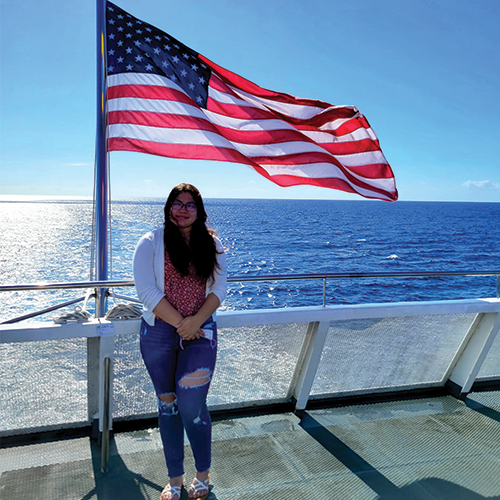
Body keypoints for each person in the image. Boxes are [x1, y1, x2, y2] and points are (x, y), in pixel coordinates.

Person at [133, 183, 227, 500]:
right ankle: (175, 478)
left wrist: (194, 324)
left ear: (199, 212)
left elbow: (218, 289)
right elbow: (146, 291)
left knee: (191, 404)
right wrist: (181, 324)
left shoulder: (211, 244)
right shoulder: (150, 242)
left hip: (201, 333)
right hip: (159, 333)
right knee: (168, 405)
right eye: (177, 203)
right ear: (168, 207)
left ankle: (203, 473)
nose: (183, 209)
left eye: (190, 204)